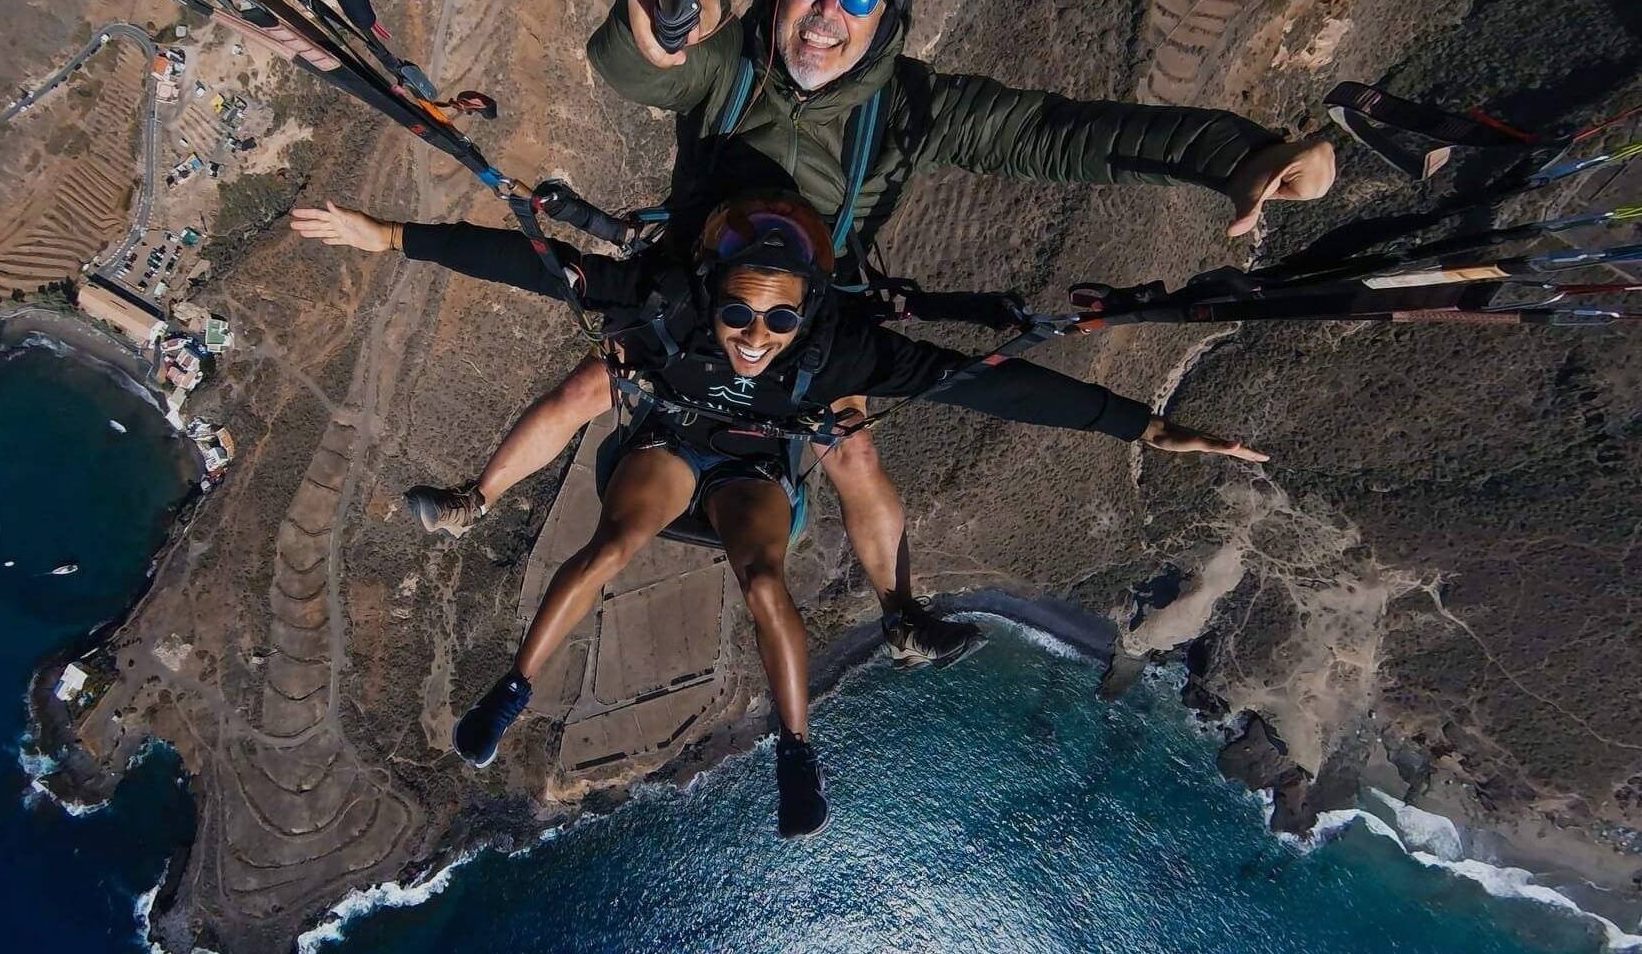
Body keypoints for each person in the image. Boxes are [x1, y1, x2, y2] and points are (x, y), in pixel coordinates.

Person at [396, 0, 1336, 670]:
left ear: (890, 13)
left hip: (797, 308)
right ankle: (480, 497)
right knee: (603, 393)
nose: (824, 14)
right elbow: (648, 70)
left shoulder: (915, 107)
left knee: (849, 449)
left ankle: (898, 607)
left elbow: (1068, 136)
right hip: (690, 297)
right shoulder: (726, 67)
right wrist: (651, 13)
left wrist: (1233, 155)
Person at [291, 192, 1267, 838]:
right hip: (665, 450)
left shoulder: (840, 355)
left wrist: (1145, 426)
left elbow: (998, 389)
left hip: (753, 473)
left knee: (765, 579)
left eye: (779, 321)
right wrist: (388, 237)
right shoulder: (666, 305)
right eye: (739, 316)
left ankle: (799, 754)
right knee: (616, 539)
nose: (755, 337)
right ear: (711, 298)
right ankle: (511, 689)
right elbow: (535, 263)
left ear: (808, 315)